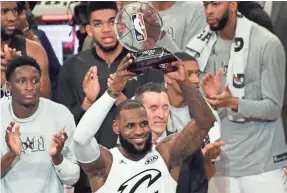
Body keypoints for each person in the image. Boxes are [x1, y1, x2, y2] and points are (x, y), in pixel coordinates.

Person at [58, 2, 164, 193]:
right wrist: (87, 103)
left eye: (112, 22)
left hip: (139, 171)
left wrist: (121, 98)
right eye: (98, 24)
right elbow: (63, 126)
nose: (107, 30)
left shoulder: (145, 63)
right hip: (89, 174)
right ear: (89, 30)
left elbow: (159, 117)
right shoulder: (72, 67)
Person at [73, 53, 216, 192]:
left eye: (143, 124)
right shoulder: (105, 164)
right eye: (130, 126)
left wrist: (184, 82)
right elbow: (80, 139)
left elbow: (205, 122)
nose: (139, 131)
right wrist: (113, 91)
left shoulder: (166, 155)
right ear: (116, 127)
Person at [186, 2, 287, 193]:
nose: (209, 11)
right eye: (206, 4)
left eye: (215, 3)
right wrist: (209, 100)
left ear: (233, 4)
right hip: (220, 165)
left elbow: (273, 108)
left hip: (262, 166)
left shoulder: (267, 44)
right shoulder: (199, 47)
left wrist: (233, 102)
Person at [0, 56, 80, 193]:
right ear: (9, 86)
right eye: (21, 81)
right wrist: (11, 154)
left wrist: (57, 157)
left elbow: (72, 179)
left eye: (35, 81)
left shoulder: (60, 114)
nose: (30, 87)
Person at [1, 1, 51, 99]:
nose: (12, 17)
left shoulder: (34, 50)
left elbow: (44, 103)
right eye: (4, 11)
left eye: (14, 10)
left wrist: (19, 71)